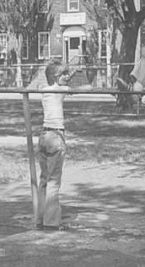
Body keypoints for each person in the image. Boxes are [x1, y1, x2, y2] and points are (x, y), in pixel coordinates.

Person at [37, 59, 90, 231]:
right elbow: (86, 89)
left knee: (44, 179)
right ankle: (51, 223)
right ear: (56, 77)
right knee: (53, 180)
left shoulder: (44, 89)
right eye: (64, 74)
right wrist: (80, 77)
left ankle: (40, 218)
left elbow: (59, 80)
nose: (67, 77)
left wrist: (69, 74)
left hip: (44, 135)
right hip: (56, 136)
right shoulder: (60, 90)